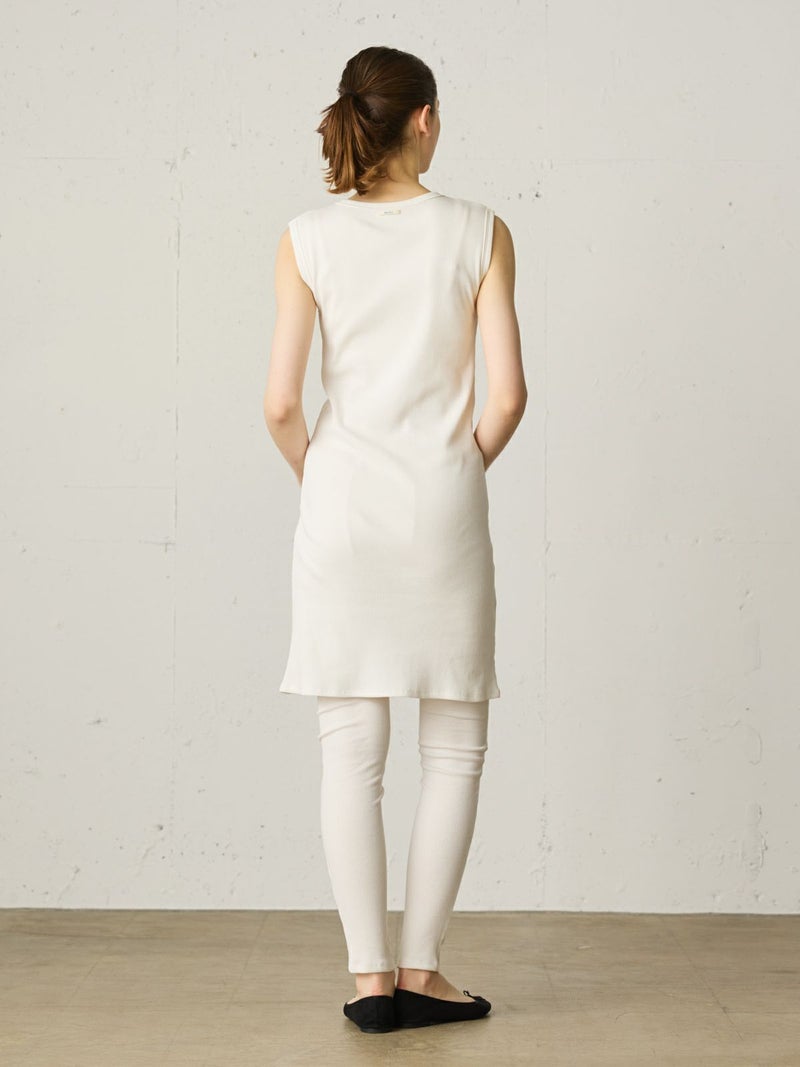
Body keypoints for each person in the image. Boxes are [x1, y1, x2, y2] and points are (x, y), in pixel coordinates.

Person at [263, 45, 526, 1033]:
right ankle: (423, 968)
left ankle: (369, 979)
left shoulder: (305, 238)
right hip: (442, 507)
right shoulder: (480, 231)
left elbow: (280, 402)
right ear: (423, 119)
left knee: (350, 748)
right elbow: (507, 396)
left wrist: (323, 478)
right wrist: (458, 471)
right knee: (453, 743)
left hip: (341, 510)